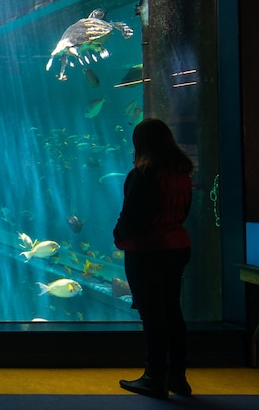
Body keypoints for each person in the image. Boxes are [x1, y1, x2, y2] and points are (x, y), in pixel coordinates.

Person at [113, 118, 194, 399]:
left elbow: (132, 214)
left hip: (148, 250)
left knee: (152, 315)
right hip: (177, 246)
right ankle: (178, 378)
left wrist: (118, 236)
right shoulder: (181, 173)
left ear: (140, 144)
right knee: (172, 312)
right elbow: (184, 212)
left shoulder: (143, 173)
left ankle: (154, 378)